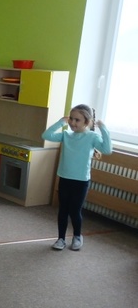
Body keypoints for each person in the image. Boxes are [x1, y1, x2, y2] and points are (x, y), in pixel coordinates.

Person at [42, 104, 111, 251]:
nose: (72, 122)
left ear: (87, 121)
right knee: (63, 210)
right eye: (71, 119)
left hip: (81, 181)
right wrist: (61, 122)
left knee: (74, 211)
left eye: (77, 120)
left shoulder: (92, 137)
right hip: (65, 178)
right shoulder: (66, 135)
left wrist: (103, 129)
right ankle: (61, 239)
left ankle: (77, 236)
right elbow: (46, 135)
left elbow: (107, 149)